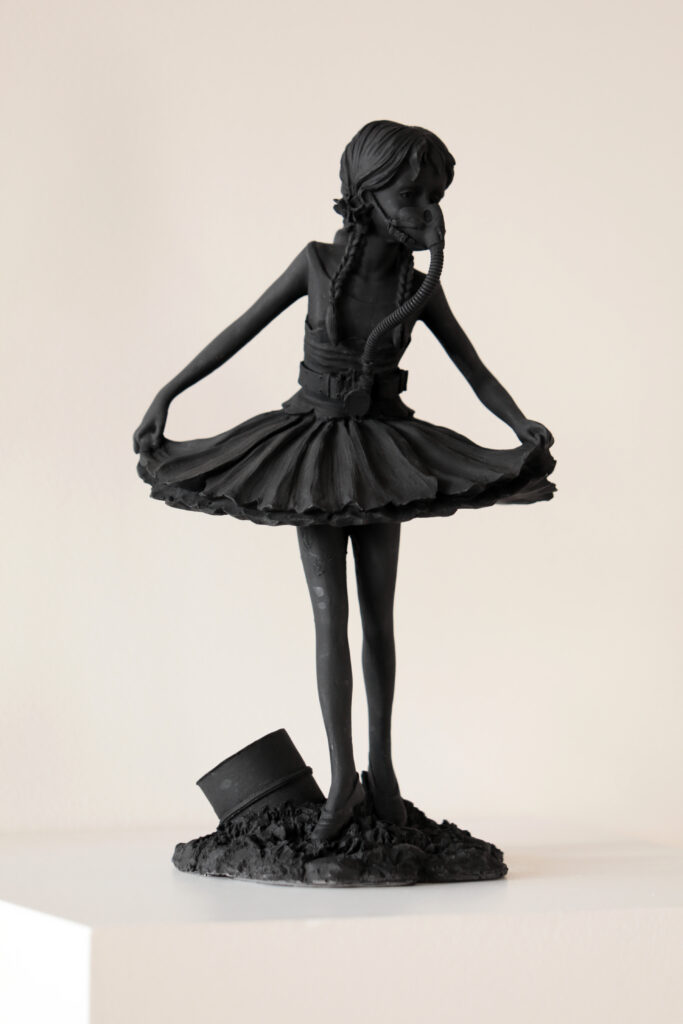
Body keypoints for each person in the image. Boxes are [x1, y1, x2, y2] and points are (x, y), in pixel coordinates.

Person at [133, 120, 555, 841]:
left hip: (382, 455)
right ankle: (340, 782)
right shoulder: (317, 264)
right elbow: (236, 332)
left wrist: (519, 425)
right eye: (411, 195)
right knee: (330, 620)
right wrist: (166, 394)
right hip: (313, 452)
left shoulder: (415, 287)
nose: (427, 210)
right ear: (366, 195)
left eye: (435, 196)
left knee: (378, 619)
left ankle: (381, 775)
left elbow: (475, 369)